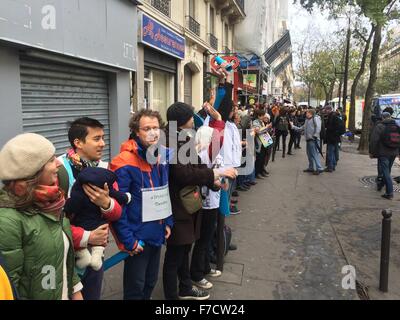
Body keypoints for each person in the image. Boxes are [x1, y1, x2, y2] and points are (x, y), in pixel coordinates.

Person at [163, 102, 237, 300]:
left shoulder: (179, 137)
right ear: (182, 120)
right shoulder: (172, 140)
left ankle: (185, 287)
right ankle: (173, 295)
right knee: (175, 255)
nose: (193, 118)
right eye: (190, 115)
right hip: (178, 205)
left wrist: (214, 181)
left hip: (187, 204)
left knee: (183, 250)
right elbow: (185, 174)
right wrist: (216, 173)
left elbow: (195, 169)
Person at [0, 133, 83, 300]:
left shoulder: (51, 204)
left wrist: (75, 291)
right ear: (33, 171)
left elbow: (59, 259)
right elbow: (9, 288)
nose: (59, 164)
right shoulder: (8, 221)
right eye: (51, 160)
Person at [110, 109, 173, 300]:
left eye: (156, 128)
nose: (153, 132)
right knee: (135, 289)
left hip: (157, 231)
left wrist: (167, 221)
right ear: (136, 132)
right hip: (137, 237)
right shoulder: (123, 162)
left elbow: (164, 189)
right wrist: (128, 240)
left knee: (150, 282)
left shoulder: (161, 156)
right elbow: (118, 206)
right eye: (147, 128)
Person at [58, 117, 122, 300]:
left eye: (103, 137)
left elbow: (118, 211)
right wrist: (87, 237)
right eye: (96, 139)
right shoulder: (58, 169)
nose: (103, 143)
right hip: (66, 256)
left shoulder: (105, 168)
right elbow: (52, 220)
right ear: (78, 143)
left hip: (96, 255)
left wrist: (106, 203)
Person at [369, 111, 400, 200]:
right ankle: (381, 184)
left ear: (382, 117)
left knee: (385, 172)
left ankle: (389, 192)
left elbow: (374, 140)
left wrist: (372, 152)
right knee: (387, 170)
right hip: (393, 152)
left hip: (383, 153)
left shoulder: (380, 126)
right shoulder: (397, 127)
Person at [291, 109, 324, 175]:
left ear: (310, 113)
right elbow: (302, 128)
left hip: (313, 139)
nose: (306, 114)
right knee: (309, 154)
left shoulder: (316, 118)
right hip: (309, 139)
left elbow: (318, 128)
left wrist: (315, 136)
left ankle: (319, 168)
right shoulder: (307, 120)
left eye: (307, 113)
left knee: (314, 154)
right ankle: (311, 167)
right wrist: (293, 127)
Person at [324, 107, 345, 172]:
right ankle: (332, 165)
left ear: (329, 110)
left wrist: (334, 133)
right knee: (332, 152)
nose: (325, 111)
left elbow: (332, 127)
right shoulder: (334, 116)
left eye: (326, 110)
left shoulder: (332, 117)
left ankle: (330, 167)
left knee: (330, 152)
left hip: (332, 138)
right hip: (334, 138)